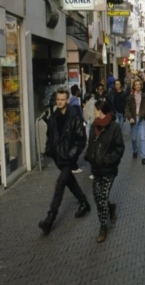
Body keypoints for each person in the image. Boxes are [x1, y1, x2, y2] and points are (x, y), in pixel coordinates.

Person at [39, 87, 90, 235]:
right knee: (69, 181)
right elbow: (50, 135)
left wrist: (71, 154)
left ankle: (50, 218)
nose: (60, 102)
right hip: (58, 157)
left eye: (62, 99)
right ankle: (84, 202)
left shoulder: (74, 116)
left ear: (67, 100)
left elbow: (81, 140)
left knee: (60, 184)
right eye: (58, 99)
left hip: (68, 157)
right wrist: (50, 149)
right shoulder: (53, 117)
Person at [85, 100, 125, 243]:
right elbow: (91, 144)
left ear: (101, 111)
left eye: (95, 110)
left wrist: (106, 160)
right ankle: (111, 207)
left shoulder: (114, 127)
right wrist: (89, 155)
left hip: (108, 169)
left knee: (102, 197)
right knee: (97, 197)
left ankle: (103, 227)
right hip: (96, 169)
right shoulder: (94, 126)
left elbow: (119, 148)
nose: (93, 112)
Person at [124, 79, 145, 165]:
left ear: (141, 86)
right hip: (134, 119)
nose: (138, 86)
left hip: (142, 119)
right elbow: (127, 109)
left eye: (139, 84)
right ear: (134, 86)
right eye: (136, 84)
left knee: (143, 138)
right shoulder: (130, 97)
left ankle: (143, 156)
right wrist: (130, 117)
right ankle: (135, 150)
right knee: (134, 138)